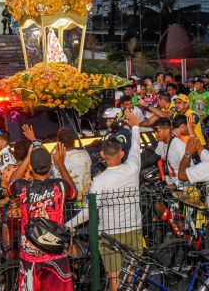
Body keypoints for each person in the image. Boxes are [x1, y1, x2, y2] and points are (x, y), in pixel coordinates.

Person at [66, 109, 143, 291]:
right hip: (134, 229)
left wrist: (68, 225)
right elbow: (135, 147)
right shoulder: (132, 169)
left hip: (110, 234)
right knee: (131, 274)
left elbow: (88, 212)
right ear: (121, 154)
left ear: (102, 155)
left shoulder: (100, 182)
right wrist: (135, 126)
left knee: (114, 278)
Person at [7, 140, 76, 291]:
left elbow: (10, 183)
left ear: (31, 168)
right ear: (51, 167)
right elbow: (73, 191)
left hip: (31, 255)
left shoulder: (23, 188)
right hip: (56, 253)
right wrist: (60, 163)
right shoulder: (60, 186)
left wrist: (27, 159)